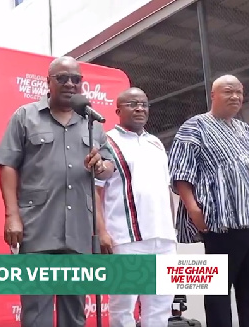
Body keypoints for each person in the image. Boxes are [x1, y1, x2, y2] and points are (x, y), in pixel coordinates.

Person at [0, 56, 115, 327]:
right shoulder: (25, 116)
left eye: (76, 79)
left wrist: (100, 166)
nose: (70, 83)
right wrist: (12, 215)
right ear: (48, 82)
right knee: (36, 314)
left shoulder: (91, 123)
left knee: (75, 315)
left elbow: (107, 170)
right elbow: (7, 165)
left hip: (80, 233)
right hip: (38, 229)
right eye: (62, 78)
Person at [168, 74, 249, 327]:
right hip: (221, 224)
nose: (236, 97)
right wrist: (193, 209)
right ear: (213, 96)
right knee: (218, 294)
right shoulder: (195, 126)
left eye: (239, 92)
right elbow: (181, 172)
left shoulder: (244, 129)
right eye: (229, 92)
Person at [94, 87, 177, 327]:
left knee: (161, 308)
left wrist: (171, 232)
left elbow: (165, 189)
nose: (140, 108)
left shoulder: (156, 143)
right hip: (126, 239)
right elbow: (95, 191)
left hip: (163, 239)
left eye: (144, 104)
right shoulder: (107, 141)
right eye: (132, 104)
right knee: (123, 309)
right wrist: (102, 232)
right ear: (118, 110)